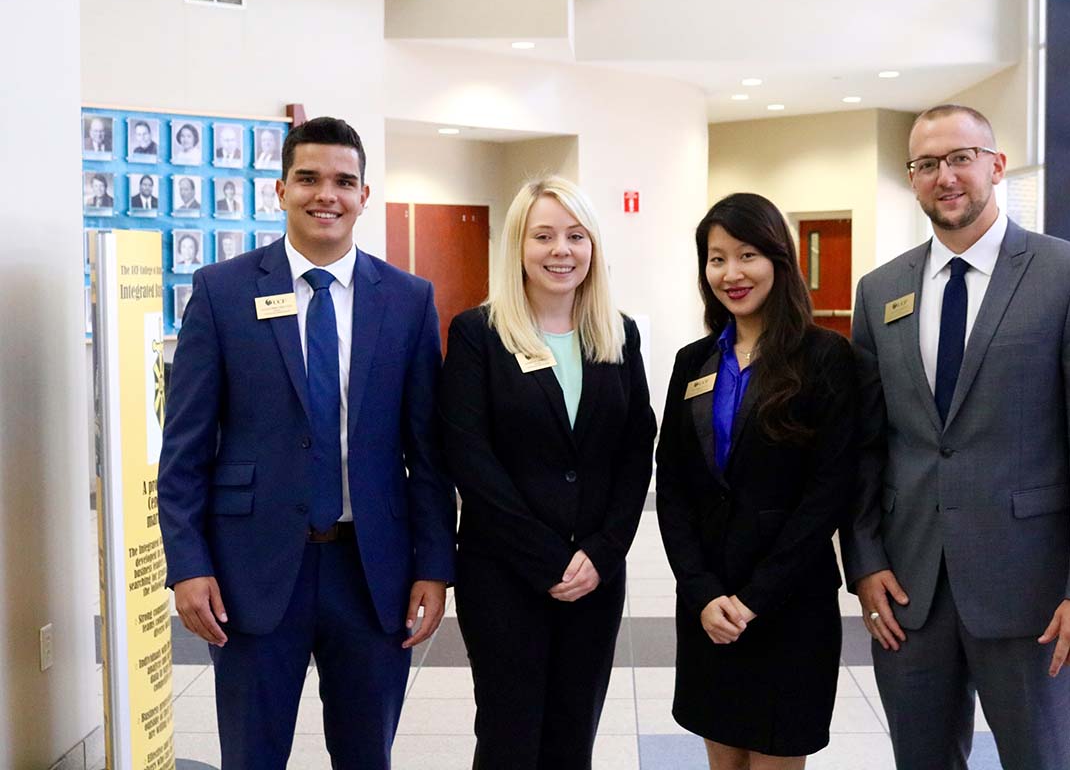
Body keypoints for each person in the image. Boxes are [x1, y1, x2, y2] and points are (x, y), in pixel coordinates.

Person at [841, 104, 1070, 769]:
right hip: (910, 590)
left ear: (996, 166)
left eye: (960, 158)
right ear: (911, 179)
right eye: (926, 164)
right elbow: (865, 443)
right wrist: (863, 560)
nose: (944, 177)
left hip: (1034, 591)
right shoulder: (880, 290)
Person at [158, 116, 456, 769]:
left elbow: (428, 454)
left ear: (364, 195)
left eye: (344, 182)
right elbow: (183, 451)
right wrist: (187, 564)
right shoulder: (222, 292)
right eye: (309, 178)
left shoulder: (407, 300)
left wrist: (434, 566)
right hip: (251, 570)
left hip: (372, 572)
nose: (327, 195)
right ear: (281, 189)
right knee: (252, 756)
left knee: (365, 755)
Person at [440, 176, 656, 769]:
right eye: (543, 236)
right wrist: (546, 557)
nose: (561, 250)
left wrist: (604, 550)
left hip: (594, 577)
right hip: (504, 576)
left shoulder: (618, 334)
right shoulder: (478, 334)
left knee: (572, 739)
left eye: (576, 236)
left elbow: (637, 446)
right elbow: (469, 456)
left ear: (593, 247)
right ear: (518, 245)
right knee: (509, 741)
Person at [656, 193, 856, 770]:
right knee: (724, 762)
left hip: (788, 605)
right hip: (709, 605)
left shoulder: (825, 357)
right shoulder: (694, 362)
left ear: (778, 259)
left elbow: (828, 493)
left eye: (747, 255)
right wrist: (701, 591)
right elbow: (673, 484)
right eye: (716, 259)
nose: (731, 273)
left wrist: (754, 599)